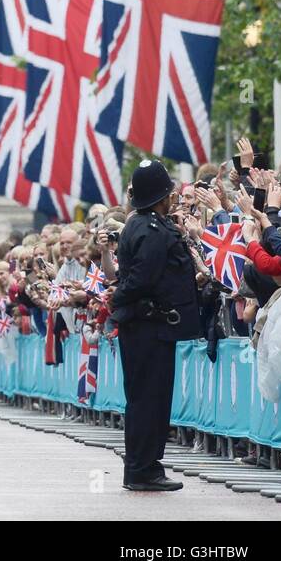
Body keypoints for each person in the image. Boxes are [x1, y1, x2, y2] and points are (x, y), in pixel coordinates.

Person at [110, 159, 199, 492]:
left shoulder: (140, 224)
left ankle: (142, 465)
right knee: (151, 399)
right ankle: (142, 468)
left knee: (144, 398)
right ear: (161, 196)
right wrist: (120, 298)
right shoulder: (152, 231)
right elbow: (142, 278)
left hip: (144, 326)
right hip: (150, 326)